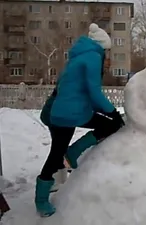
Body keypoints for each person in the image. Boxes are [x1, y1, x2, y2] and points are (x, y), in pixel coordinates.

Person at [35, 23, 125, 217]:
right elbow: (93, 91)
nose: (107, 56)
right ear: (102, 47)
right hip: (67, 114)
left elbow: (77, 90)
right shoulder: (93, 57)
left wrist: (105, 110)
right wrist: (112, 112)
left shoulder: (78, 57)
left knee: (59, 152)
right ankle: (41, 199)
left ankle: (70, 155)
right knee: (57, 154)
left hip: (66, 111)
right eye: (107, 51)